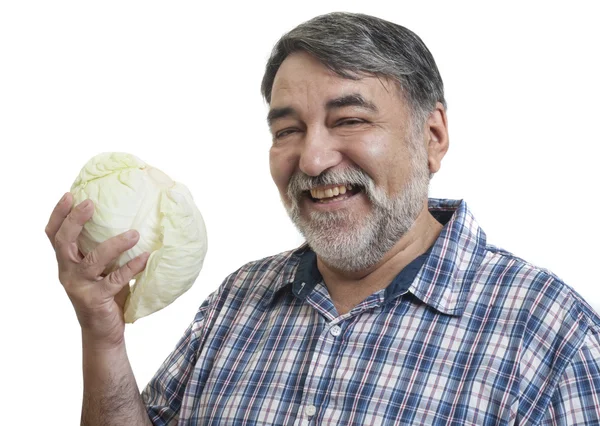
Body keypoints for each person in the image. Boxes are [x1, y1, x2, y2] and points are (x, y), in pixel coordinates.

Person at [46, 12, 600, 426]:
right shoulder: (236, 304)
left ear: (432, 137)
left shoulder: (552, 336)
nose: (312, 160)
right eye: (287, 130)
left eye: (350, 119)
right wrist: (103, 338)